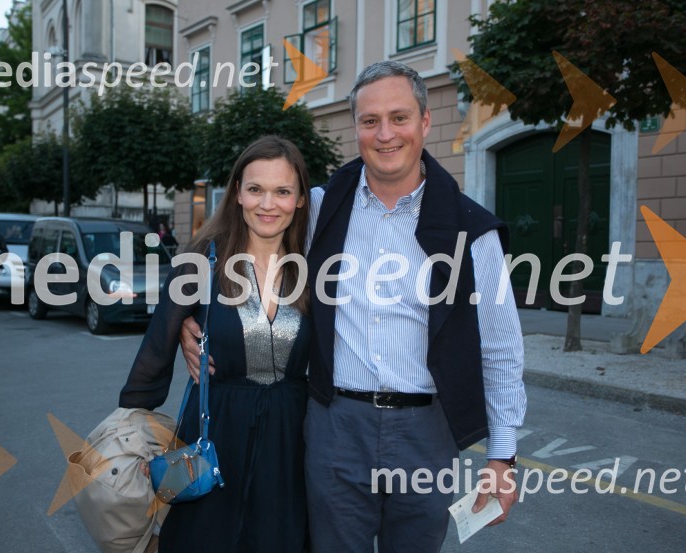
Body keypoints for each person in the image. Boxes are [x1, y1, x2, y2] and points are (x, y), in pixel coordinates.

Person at [181, 61, 526, 552]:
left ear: (425, 123)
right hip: (334, 426)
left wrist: (503, 458)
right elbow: (234, 244)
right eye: (370, 121)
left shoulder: (472, 231)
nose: (385, 134)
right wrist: (187, 322)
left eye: (399, 117)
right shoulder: (320, 207)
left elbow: (500, 349)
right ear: (356, 129)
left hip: (426, 433)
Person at [119, 136, 312, 553]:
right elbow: (155, 350)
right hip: (213, 434)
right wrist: (128, 429)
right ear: (237, 192)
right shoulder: (200, 260)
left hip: (291, 439)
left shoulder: (315, 267)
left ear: (299, 199)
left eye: (282, 191)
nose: (267, 203)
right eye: (255, 189)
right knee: (204, 540)